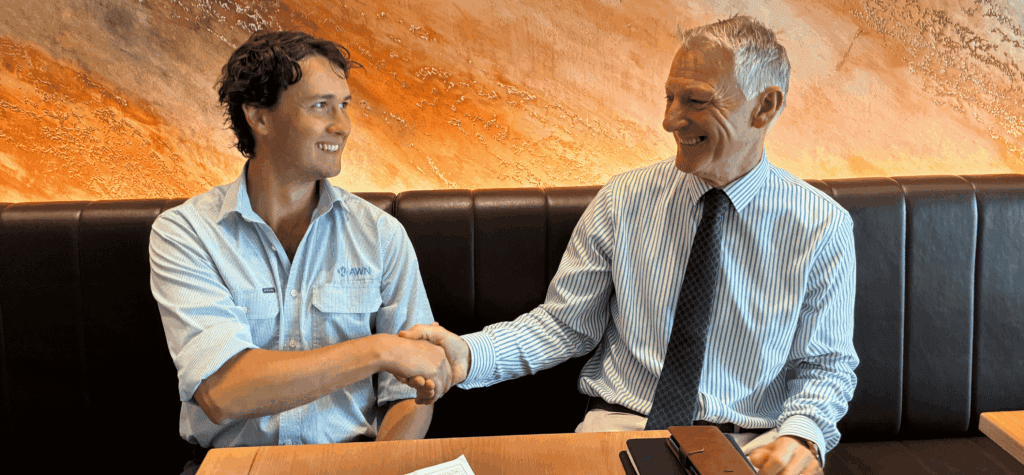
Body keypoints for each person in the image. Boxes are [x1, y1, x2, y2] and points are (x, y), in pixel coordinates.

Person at [401, 15, 857, 475]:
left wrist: (803, 433)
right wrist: (469, 354)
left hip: (751, 446)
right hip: (621, 430)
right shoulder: (624, 198)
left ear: (764, 108)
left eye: (696, 100)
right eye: (669, 97)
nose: (669, 120)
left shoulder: (822, 224)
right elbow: (564, 324)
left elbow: (826, 365)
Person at [149, 31, 450, 473]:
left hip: (357, 464)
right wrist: (379, 349)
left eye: (344, 105)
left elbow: (408, 392)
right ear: (259, 117)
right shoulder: (185, 234)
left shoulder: (382, 235)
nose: (342, 125)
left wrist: (384, 467)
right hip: (234, 466)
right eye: (320, 106)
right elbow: (224, 393)